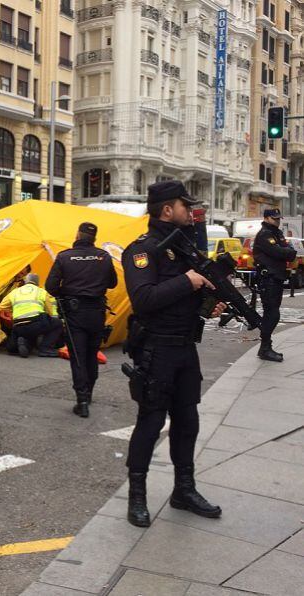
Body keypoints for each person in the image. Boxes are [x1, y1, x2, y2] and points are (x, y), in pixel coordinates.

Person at [122, 180, 226, 528]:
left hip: (184, 348)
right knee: (150, 423)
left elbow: (187, 295)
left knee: (188, 422)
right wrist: (189, 282)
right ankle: (137, 497)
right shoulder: (142, 250)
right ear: (167, 209)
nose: (190, 210)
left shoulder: (183, 249)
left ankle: (184, 489)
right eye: (185, 205)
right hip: (156, 350)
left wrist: (208, 303)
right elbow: (145, 299)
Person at [46, 222, 117, 417]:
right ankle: (89, 392)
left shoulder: (64, 256)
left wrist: (67, 294)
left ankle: (82, 399)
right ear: (94, 238)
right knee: (91, 354)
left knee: (77, 356)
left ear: (77, 235)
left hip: (74, 312)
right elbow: (112, 283)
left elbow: (50, 286)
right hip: (96, 311)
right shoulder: (103, 256)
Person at [252, 208, 297, 362]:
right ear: (266, 218)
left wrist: (288, 251)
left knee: (272, 313)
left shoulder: (276, 233)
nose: (277, 221)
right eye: (274, 218)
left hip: (276, 278)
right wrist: (288, 252)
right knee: (272, 314)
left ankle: (265, 347)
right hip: (268, 279)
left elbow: (288, 248)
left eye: (278, 218)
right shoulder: (265, 234)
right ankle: (265, 347)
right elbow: (279, 251)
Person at [0, 273, 63, 358]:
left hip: (18, 325)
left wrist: (15, 310)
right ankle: (45, 348)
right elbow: (51, 312)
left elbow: (1, 307)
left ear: (25, 281)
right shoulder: (41, 291)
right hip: (36, 322)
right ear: (37, 283)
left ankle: (22, 342)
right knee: (57, 323)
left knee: (12, 348)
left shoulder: (15, 292)